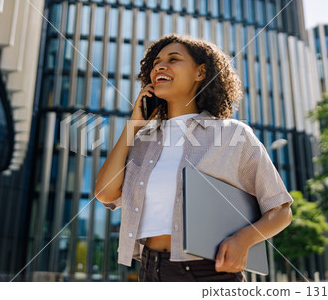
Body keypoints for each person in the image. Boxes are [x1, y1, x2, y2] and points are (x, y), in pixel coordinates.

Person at [95, 34, 293, 282]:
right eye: (156, 62)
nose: (160, 66)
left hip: (209, 272)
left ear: (200, 73)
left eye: (173, 59)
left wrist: (244, 239)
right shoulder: (142, 140)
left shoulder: (232, 134)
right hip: (149, 271)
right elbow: (105, 193)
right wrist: (133, 126)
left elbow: (281, 210)